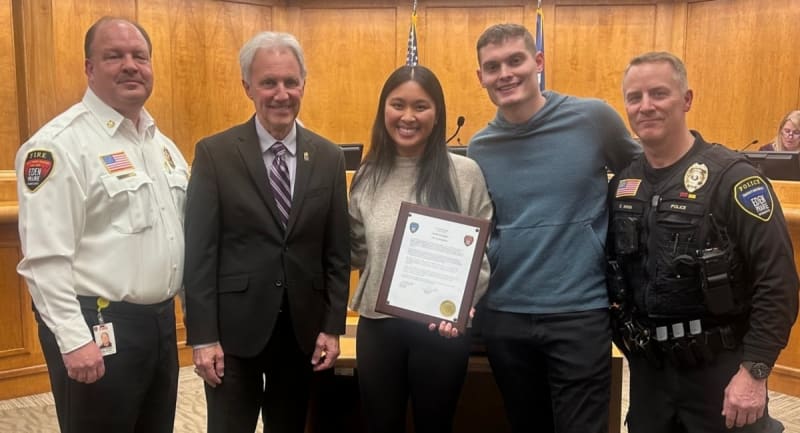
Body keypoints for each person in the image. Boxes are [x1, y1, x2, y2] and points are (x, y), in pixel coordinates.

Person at [609, 51, 799, 433]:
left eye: (659, 93)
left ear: (687, 99)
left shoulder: (733, 179)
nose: (645, 106)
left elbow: (777, 283)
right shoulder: (623, 185)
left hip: (721, 372)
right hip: (650, 376)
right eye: (634, 97)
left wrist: (755, 372)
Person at [15, 16, 188, 433]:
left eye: (140, 57)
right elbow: (44, 259)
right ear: (89, 69)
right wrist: (74, 339)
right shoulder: (58, 145)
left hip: (160, 324)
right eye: (114, 56)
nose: (130, 65)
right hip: (97, 325)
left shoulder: (161, 146)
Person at [467, 23, 641, 433]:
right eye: (492, 67)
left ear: (538, 62)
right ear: (481, 78)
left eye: (515, 60)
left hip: (578, 311)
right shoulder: (479, 147)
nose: (505, 74)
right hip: (505, 315)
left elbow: (642, 176)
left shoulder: (592, 118)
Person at [183, 31, 350, 433]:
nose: (281, 93)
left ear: (303, 85)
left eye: (290, 82)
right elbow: (200, 253)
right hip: (232, 332)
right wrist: (202, 337)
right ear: (247, 87)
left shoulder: (328, 156)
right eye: (268, 82)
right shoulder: (215, 153)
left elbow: (337, 252)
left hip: (302, 332)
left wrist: (332, 326)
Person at [349, 65, 492, 433]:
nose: (408, 117)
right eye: (398, 104)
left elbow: (482, 255)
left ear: (437, 113)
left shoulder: (465, 173)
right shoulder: (366, 175)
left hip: (440, 329)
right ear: (384, 110)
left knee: (435, 425)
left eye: (421, 106)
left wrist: (459, 308)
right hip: (378, 328)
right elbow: (356, 249)